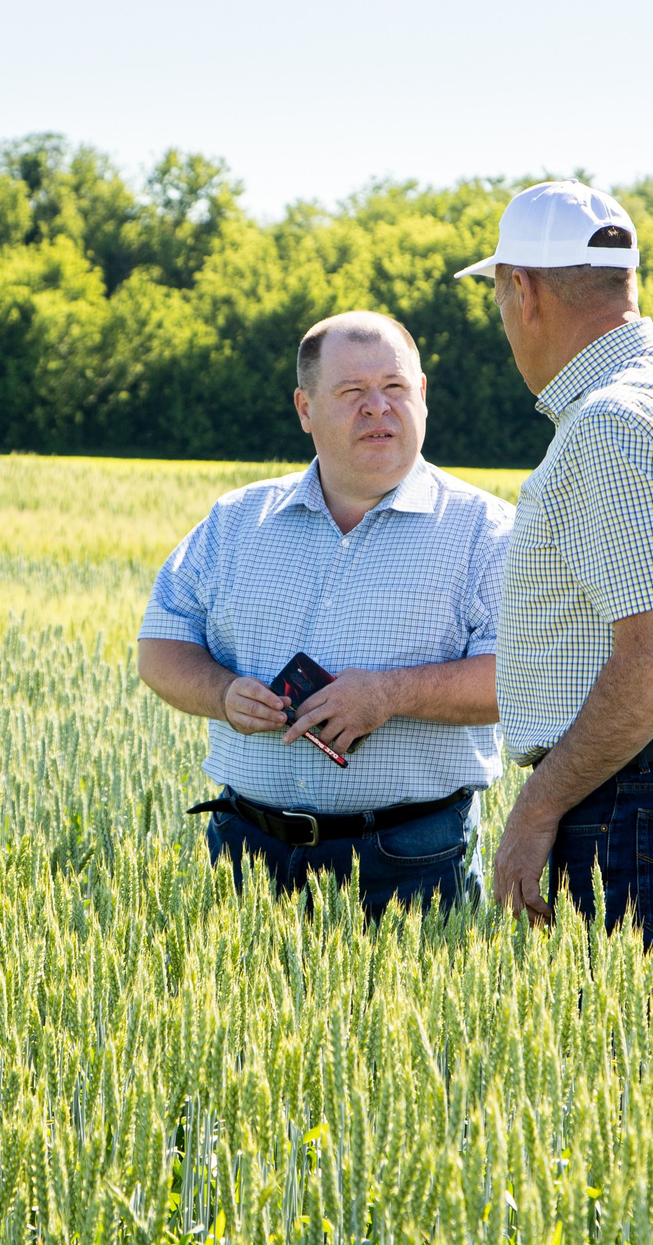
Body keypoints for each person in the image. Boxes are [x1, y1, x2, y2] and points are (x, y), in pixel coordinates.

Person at [457, 182, 653, 946]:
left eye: (498, 297)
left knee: (628, 1055)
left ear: (523, 291)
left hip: (635, 795)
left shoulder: (611, 423)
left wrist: (537, 807)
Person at [137, 310, 512, 917]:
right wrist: (223, 694)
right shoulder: (236, 522)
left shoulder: (487, 533)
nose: (377, 408)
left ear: (421, 394)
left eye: (394, 388)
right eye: (351, 392)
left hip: (411, 861)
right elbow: (161, 646)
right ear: (305, 408)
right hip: (244, 854)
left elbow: (521, 678)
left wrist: (390, 694)